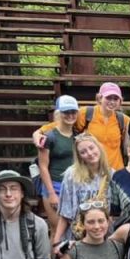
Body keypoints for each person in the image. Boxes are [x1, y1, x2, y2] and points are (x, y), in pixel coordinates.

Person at [33, 82, 130, 171]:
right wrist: (39, 132)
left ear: (120, 101)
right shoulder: (87, 113)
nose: (112, 101)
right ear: (100, 98)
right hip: (91, 171)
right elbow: (62, 123)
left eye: (115, 98)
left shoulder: (123, 120)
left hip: (115, 171)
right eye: (108, 98)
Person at [53, 134, 130, 246]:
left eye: (91, 148)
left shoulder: (111, 174)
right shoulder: (72, 175)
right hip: (78, 236)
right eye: (83, 152)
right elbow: (65, 212)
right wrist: (57, 240)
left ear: (98, 147)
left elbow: (115, 212)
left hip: (103, 235)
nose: (89, 153)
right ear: (79, 156)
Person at [36, 94, 79, 232]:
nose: (70, 115)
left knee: (75, 229)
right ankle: (53, 254)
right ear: (59, 113)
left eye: (73, 112)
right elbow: (43, 166)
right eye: (66, 112)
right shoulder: (50, 137)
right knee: (57, 230)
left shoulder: (78, 135)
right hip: (55, 185)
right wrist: (51, 193)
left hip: (74, 186)